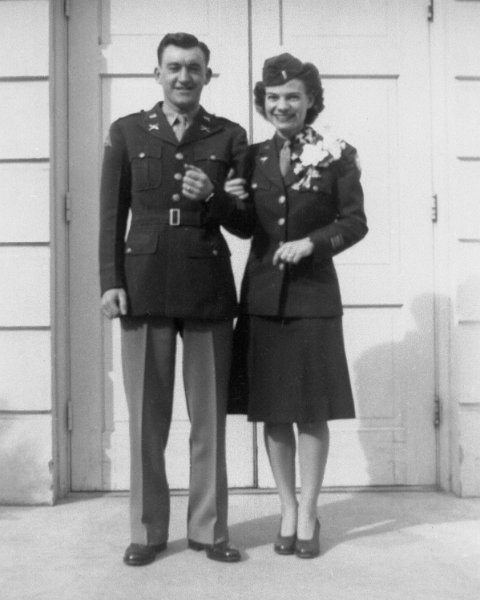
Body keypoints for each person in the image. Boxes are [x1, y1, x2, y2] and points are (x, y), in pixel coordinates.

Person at [99, 32, 250, 566]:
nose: (183, 76)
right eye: (174, 67)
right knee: (147, 419)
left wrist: (212, 197)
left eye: (194, 68)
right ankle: (146, 531)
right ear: (157, 73)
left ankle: (210, 531)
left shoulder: (230, 136)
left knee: (208, 419)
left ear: (208, 75)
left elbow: (247, 223)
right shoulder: (128, 131)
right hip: (143, 284)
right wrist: (109, 281)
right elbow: (111, 215)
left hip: (207, 286)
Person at [226, 53, 368, 558]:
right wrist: (229, 199)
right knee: (272, 411)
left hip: (313, 300)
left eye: (292, 96)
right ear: (262, 104)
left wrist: (313, 243)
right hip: (263, 299)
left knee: (310, 411)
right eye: (273, 98)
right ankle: (286, 506)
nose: (282, 105)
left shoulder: (337, 154)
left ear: (311, 101)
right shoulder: (252, 156)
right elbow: (245, 226)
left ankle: (309, 509)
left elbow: (354, 223)